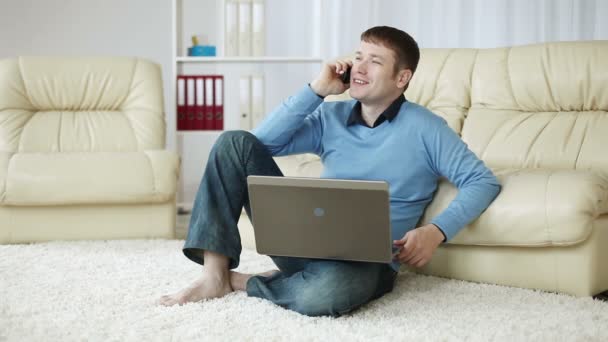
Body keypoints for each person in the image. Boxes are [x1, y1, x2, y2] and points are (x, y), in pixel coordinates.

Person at [159, 26, 501, 316]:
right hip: (303, 241)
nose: (359, 67)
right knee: (233, 141)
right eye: (359, 56)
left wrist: (435, 231)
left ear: (402, 77)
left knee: (326, 294)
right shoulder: (331, 116)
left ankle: (245, 281)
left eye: (375, 60)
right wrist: (316, 91)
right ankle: (214, 275)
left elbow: (481, 181)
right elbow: (256, 145)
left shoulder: (427, 128)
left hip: (368, 264)